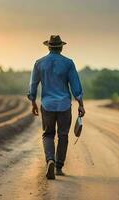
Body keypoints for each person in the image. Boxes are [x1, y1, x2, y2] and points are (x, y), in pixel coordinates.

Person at [27, 35, 85, 180]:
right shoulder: (68, 63)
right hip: (64, 105)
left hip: (47, 105)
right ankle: (58, 167)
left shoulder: (39, 63)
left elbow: (33, 84)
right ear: (61, 47)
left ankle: (50, 160)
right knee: (63, 135)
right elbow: (75, 86)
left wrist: (33, 101)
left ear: (48, 47)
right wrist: (81, 104)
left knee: (48, 134)